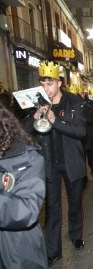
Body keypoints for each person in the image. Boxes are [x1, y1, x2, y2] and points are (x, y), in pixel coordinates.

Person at [23, 61, 87, 267]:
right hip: (49, 163)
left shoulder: (73, 102)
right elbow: (23, 131)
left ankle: (76, 235)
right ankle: (53, 250)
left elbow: (80, 132)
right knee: (52, 208)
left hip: (71, 161)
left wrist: (55, 120)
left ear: (59, 83)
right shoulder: (37, 102)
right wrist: (35, 116)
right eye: (42, 84)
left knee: (75, 202)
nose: (45, 88)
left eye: (49, 84)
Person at [0, 103, 48, 268]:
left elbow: (27, 210)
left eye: (50, 82)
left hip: (17, 253)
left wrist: (55, 121)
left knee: (56, 209)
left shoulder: (26, 156)